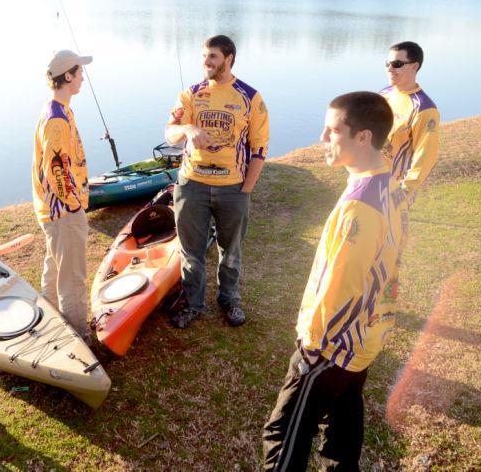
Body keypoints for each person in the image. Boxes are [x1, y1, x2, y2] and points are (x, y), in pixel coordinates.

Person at [262, 92, 409, 471]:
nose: (322, 139)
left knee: (284, 435)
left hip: (331, 347)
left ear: (362, 137)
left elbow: (342, 284)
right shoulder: (386, 181)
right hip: (364, 338)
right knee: (342, 432)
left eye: (332, 131)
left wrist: (313, 346)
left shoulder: (360, 207)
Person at [165, 34, 270, 329]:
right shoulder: (191, 94)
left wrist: (245, 189)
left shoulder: (250, 97)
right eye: (204, 56)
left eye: (212, 56)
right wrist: (187, 129)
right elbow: (169, 132)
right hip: (192, 185)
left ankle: (229, 299)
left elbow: (259, 149)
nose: (206, 62)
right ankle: (193, 304)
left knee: (231, 249)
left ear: (229, 59)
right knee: (191, 251)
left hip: (232, 188)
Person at [31, 50, 92, 341]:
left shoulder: (59, 109)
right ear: (67, 76)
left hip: (54, 212)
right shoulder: (56, 118)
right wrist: (74, 204)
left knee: (55, 268)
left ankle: (50, 323)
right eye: (79, 72)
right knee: (73, 281)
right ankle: (79, 339)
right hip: (63, 212)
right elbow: (56, 169)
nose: (82, 76)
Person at [380, 41, 440, 201]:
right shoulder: (384, 94)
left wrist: (404, 191)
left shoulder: (424, 109)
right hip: (370, 178)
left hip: (395, 189)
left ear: (414, 66)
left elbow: (426, 155)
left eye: (397, 64)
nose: (390, 69)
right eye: (387, 63)